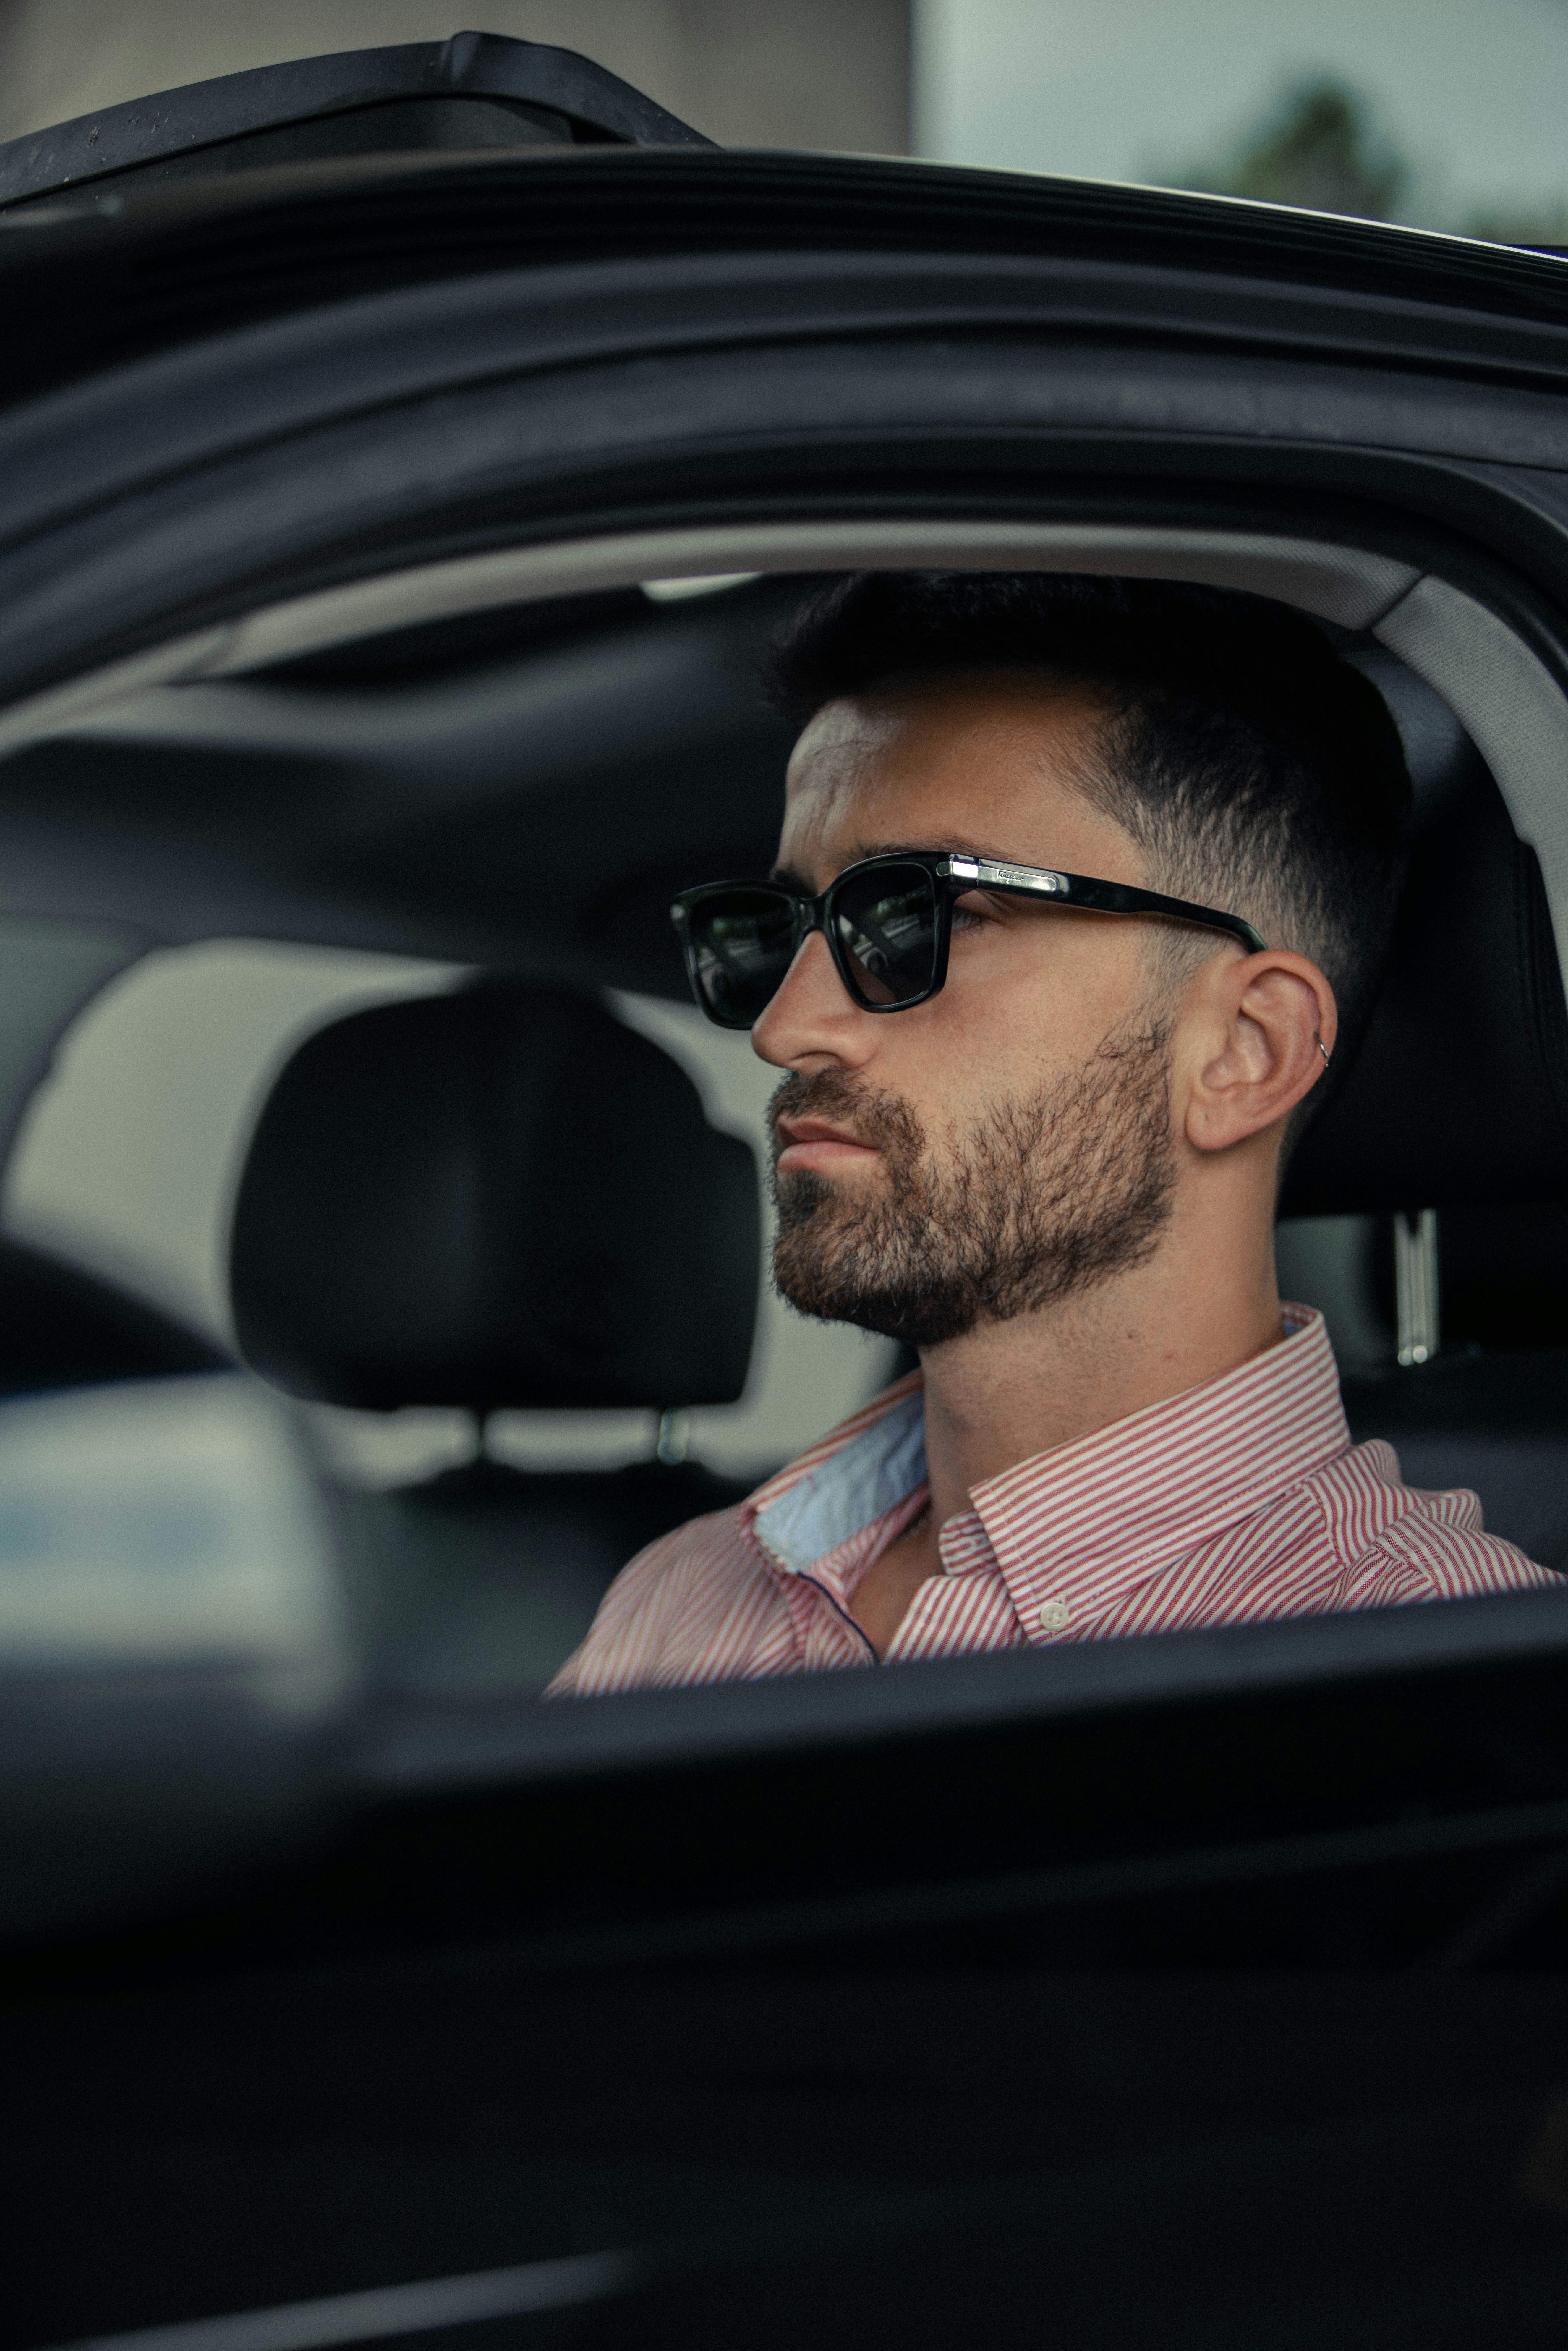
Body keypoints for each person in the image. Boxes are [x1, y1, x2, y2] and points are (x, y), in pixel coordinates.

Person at [549, 572, 1552, 1696]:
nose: (786, 1028)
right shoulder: (680, 1597)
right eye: (789, 930)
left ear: (1246, 1050)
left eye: (929, 914)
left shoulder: (1455, 1691)